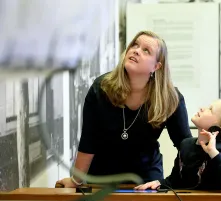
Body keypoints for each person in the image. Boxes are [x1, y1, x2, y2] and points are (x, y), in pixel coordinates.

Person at [57, 30, 192, 187]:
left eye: (146, 50)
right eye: (134, 45)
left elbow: (185, 147)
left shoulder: (170, 98)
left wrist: (169, 182)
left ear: (156, 66)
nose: (136, 50)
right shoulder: (101, 89)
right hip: (102, 175)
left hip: (146, 177)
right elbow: (88, 141)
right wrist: (76, 181)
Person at [135, 100, 221, 193]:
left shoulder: (219, 151)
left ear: (217, 128)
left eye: (210, 110)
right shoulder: (186, 145)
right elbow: (175, 180)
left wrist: (213, 152)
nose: (202, 108)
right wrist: (159, 183)